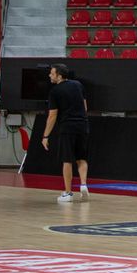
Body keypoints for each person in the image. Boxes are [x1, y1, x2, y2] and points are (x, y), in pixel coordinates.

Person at [41, 64, 90, 203]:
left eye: (52, 73)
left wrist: (45, 136)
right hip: (82, 125)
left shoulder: (55, 91)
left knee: (67, 160)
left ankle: (68, 193)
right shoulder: (78, 85)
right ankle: (83, 184)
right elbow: (85, 107)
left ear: (59, 76)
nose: (49, 75)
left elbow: (52, 116)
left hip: (67, 127)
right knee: (82, 158)